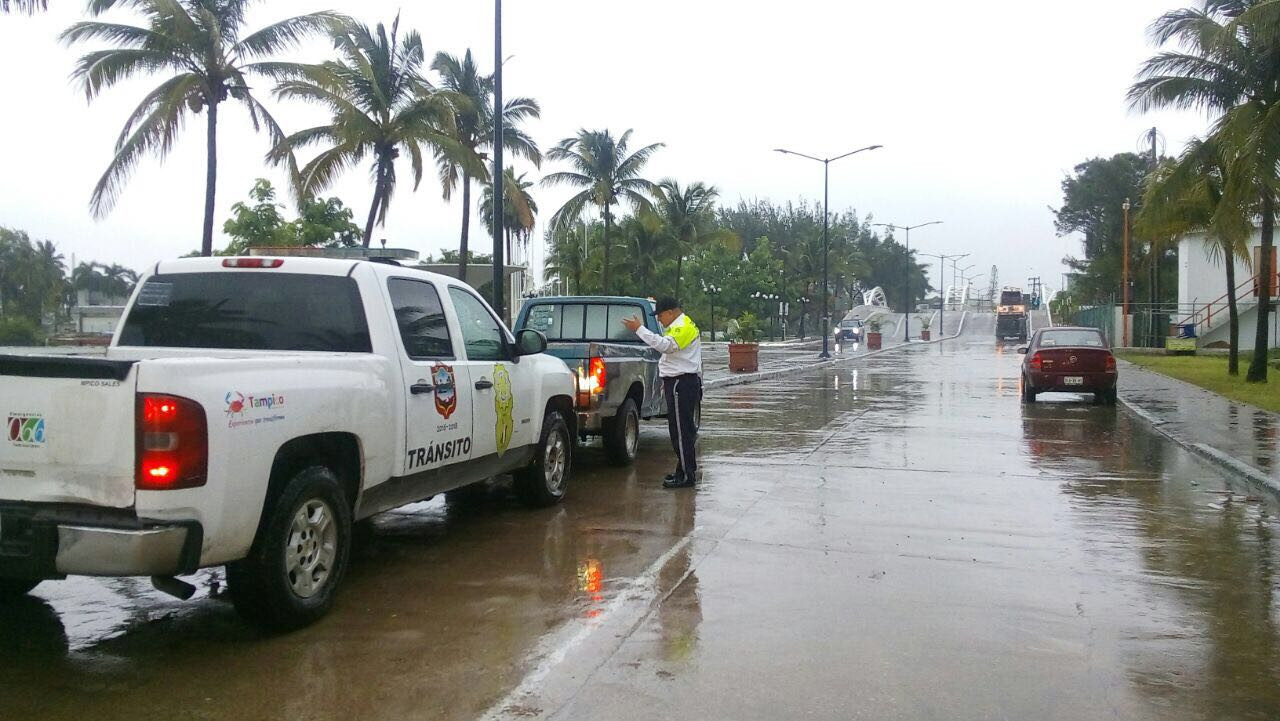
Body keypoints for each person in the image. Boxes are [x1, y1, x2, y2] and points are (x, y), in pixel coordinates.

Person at [622, 297, 702, 488]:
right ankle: (683, 470)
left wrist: (639, 329)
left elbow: (666, 346)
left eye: (660, 315)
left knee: (681, 432)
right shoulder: (678, 326)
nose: (659, 320)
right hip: (679, 382)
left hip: (681, 383)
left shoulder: (683, 326)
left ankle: (686, 475)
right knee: (682, 430)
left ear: (670, 312)